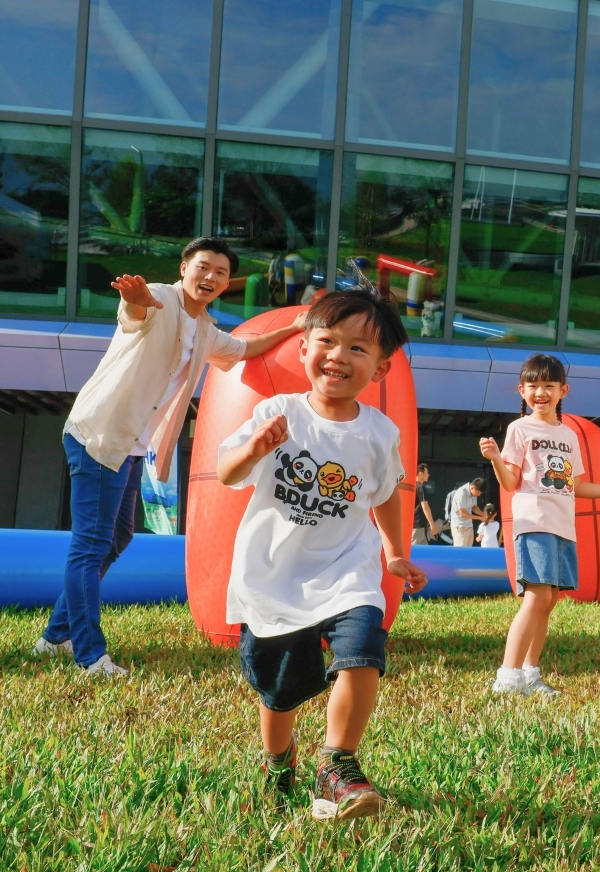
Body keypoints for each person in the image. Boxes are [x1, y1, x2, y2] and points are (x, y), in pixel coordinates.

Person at [33, 238, 303, 676]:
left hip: (131, 444)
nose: (210, 277)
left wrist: (295, 328)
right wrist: (134, 300)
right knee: (90, 545)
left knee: (118, 538)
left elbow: (245, 350)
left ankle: (54, 636)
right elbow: (135, 314)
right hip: (101, 434)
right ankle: (88, 654)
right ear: (184, 268)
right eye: (203, 267)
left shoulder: (207, 330)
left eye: (219, 271)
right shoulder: (159, 296)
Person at [217, 288, 428, 820]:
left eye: (358, 349)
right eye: (328, 341)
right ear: (305, 346)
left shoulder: (380, 433)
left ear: (379, 371)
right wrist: (254, 449)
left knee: (362, 653)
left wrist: (396, 554)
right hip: (273, 576)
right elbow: (228, 473)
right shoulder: (278, 412)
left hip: (346, 572)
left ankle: (337, 763)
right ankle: (277, 759)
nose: (339, 355)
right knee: (280, 690)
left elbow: (384, 499)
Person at [480, 354, 600, 697]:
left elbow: (576, 485)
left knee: (549, 599)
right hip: (534, 521)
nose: (541, 392)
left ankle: (530, 674)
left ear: (563, 390)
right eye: (533, 386)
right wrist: (495, 458)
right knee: (536, 596)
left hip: (563, 527)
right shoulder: (520, 428)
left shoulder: (568, 435)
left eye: (548, 386)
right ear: (522, 390)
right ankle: (507, 678)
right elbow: (510, 483)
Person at [448, 478, 484, 547]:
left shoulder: (474, 493)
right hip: (460, 527)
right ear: (473, 488)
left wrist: (483, 514)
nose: (479, 495)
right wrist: (480, 518)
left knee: (468, 552)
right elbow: (463, 514)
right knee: (460, 553)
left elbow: (474, 507)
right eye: (478, 492)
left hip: (469, 526)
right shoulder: (461, 493)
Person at [411, 464, 441, 545]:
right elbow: (425, 507)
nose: (428, 475)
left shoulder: (412, 486)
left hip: (417, 525)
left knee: (424, 552)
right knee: (413, 552)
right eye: (426, 473)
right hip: (417, 525)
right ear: (421, 474)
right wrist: (432, 524)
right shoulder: (420, 487)